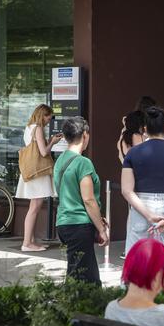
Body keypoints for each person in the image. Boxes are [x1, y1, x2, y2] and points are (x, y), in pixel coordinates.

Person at [121, 106, 164, 289]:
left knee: (136, 266)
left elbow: (127, 190)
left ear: (145, 129)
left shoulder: (133, 154)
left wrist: (149, 215)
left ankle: (134, 307)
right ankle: (162, 304)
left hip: (141, 208)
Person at [54, 117, 108, 285]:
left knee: (77, 272)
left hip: (64, 223)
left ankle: (72, 305)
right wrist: (101, 229)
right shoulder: (83, 163)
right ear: (85, 134)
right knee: (86, 277)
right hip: (79, 225)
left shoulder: (60, 160)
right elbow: (88, 199)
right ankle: (80, 308)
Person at [15, 104, 63, 252]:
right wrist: (53, 142)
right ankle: (27, 243)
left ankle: (31, 241)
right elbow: (43, 152)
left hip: (31, 171)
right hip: (38, 173)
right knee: (35, 208)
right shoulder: (38, 128)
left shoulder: (29, 127)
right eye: (49, 116)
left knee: (33, 207)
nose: (49, 120)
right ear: (43, 115)